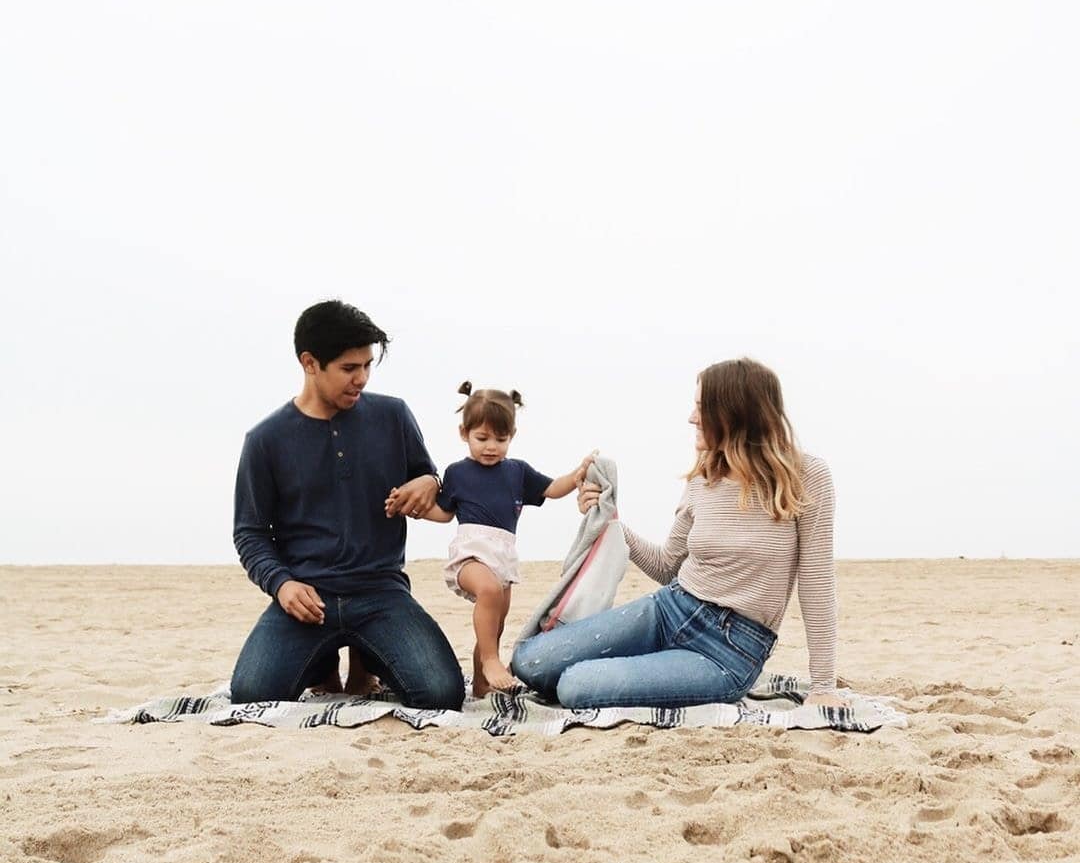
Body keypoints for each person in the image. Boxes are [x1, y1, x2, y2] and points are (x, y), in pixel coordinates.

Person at [511, 358, 847, 711]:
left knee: (575, 686)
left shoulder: (808, 476)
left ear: (732, 412)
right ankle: (659, 666)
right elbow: (668, 566)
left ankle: (662, 670)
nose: (691, 417)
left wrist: (823, 684)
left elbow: (816, 584)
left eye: (701, 407)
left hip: (730, 650)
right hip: (671, 607)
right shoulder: (704, 476)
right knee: (529, 661)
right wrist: (609, 521)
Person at [229, 300, 465, 710]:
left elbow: (429, 479)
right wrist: (281, 585)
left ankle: (369, 653)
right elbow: (249, 533)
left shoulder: (393, 416)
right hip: (308, 598)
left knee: (442, 693)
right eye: (349, 368)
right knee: (251, 694)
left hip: (380, 591)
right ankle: (322, 662)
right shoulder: (266, 439)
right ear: (310, 363)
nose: (362, 379)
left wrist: (430, 482)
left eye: (367, 366)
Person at [413, 382, 593, 696]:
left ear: (512, 436)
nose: (491, 446)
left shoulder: (517, 472)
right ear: (463, 433)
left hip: (502, 556)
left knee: (494, 623)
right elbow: (443, 512)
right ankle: (492, 662)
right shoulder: (457, 473)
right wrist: (414, 511)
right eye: (482, 438)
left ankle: (482, 684)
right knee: (488, 590)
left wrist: (577, 475)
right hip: (470, 553)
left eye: (501, 438)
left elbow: (551, 489)